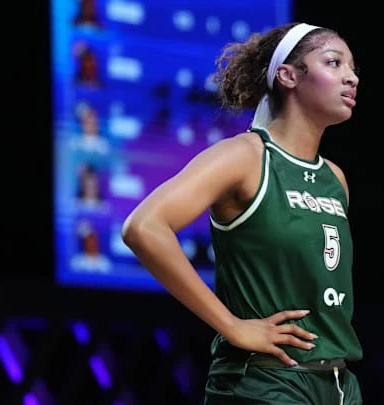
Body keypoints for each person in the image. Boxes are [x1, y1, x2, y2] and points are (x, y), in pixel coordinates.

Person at [121, 21, 362, 404]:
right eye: (334, 63)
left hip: (338, 386)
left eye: (353, 69)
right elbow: (144, 227)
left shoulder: (335, 178)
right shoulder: (245, 157)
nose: (351, 78)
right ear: (288, 76)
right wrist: (233, 327)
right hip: (263, 383)